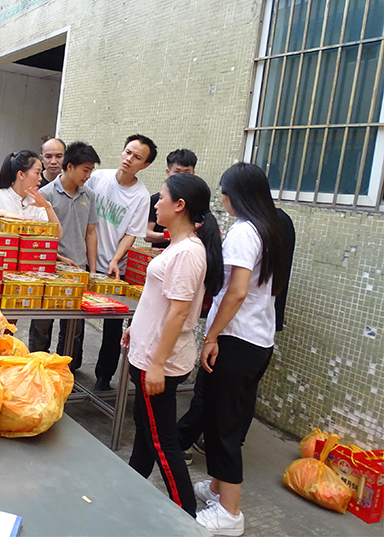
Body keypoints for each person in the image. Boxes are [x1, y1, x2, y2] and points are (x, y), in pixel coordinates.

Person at [193, 162, 290, 536]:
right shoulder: (272, 228)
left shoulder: (244, 232)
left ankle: (229, 514)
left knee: (223, 426)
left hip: (235, 340)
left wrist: (212, 336)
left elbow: (236, 291)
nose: (222, 198)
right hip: (259, 339)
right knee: (232, 417)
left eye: (223, 192)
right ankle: (219, 489)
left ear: (235, 195)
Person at [121, 173, 223, 518]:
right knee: (146, 432)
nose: (156, 204)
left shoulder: (189, 253)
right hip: (149, 353)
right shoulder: (177, 247)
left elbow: (179, 312)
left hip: (159, 361)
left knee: (163, 444)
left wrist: (157, 365)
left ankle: (185, 515)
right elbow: (159, 302)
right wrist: (135, 328)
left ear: (179, 206)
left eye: (161, 198)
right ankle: (130, 489)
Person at [87, 134, 157, 392]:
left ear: (145, 165)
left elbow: (131, 234)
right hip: (85, 261)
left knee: (113, 324)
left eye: (137, 157)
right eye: (128, 152)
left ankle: (104, 377)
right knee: (73, 319)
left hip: (115, 268)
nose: (129, 159)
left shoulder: (141, 196)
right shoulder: (98, 178)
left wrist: (116, 259)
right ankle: (69, 367)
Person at [29, 142, 100, 368]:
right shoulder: (46, 194)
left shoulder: (89, 195)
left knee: (74, 327)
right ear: (70, 167)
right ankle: (37, 367)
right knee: (42, 324)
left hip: (78, 269)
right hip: (50, 270)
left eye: (90, 171)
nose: (88, 176)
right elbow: (40, 236)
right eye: (85, 170)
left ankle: (67, 369)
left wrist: (92, 270)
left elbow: (91, 233)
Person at [0, 149, 63, 235]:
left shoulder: (36, 202)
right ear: (21, 175)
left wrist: (48, 207)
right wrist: (1, 213)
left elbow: (58, 235)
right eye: (37, 173)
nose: (40, 178)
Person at [146, 149, 198, 249]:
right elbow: (147, 235)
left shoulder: (198, 199)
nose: (181, 177)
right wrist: (171, 235)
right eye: (177, 172)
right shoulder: (156, 199)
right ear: (168, 172)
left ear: (193, 173)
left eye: (186, 172)